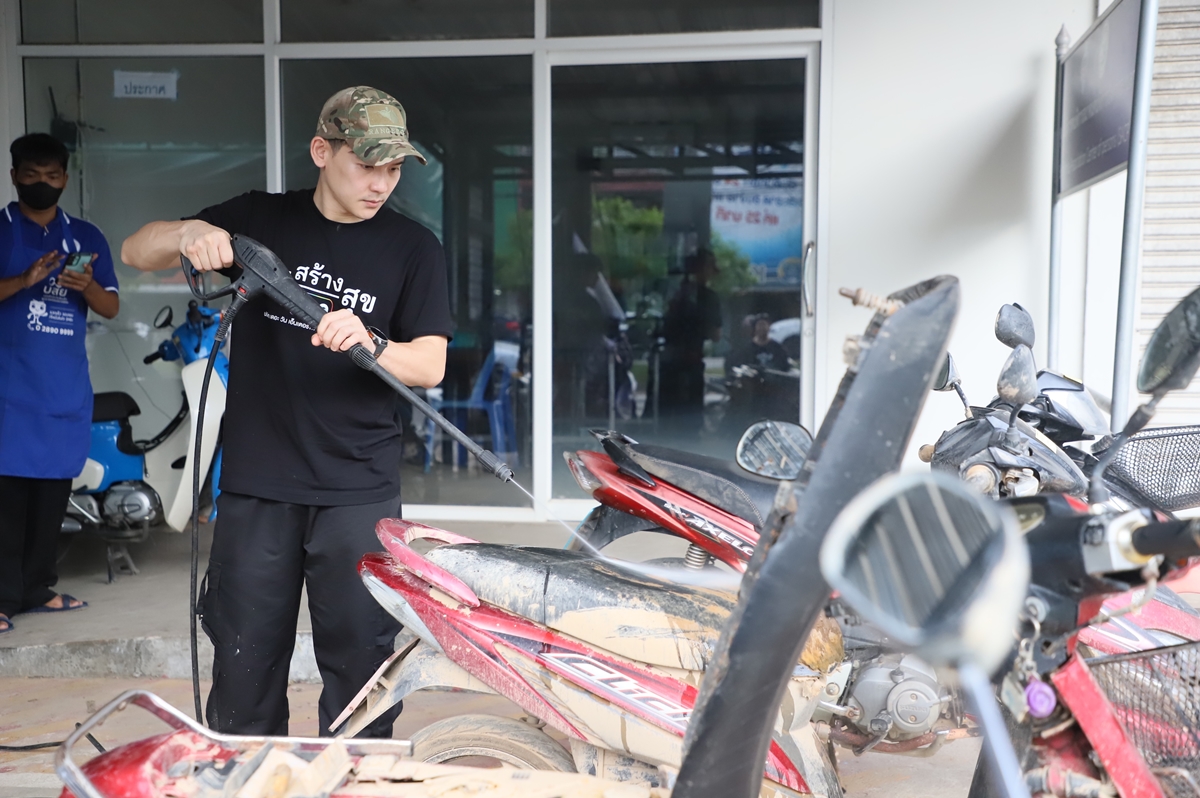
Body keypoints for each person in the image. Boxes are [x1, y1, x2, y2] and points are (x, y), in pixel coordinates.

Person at [121, 87, 452, 737]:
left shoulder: (414, 247)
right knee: (243, 670)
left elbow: (431, 364)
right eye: (367, 165)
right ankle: (246, 774)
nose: (381, 184)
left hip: (357, 491)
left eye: (393, 169)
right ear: (322, 151)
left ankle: (356, 780)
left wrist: (373, 343)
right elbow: (136, 250)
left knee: (363, 677)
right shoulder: (259, 220)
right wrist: (189, 233)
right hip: (257, 487)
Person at [0, 133, 120, 634]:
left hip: (61, 391)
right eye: (32, 176)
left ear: (65, 180)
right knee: (7, 504)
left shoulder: (86, 237)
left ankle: (38, 589)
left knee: (51, 498)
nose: (42, 184)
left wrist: (86, 286)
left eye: (51, 176)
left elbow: (111, 306)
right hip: (9, 395)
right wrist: (23, 281)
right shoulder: (1, 230)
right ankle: (2, 598)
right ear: (14, 177)